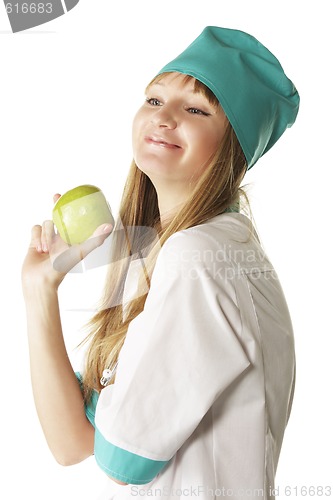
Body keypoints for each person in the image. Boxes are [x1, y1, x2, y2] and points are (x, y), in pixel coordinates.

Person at [21, 26, 300, 500]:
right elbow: (72, 444)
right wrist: (39, 291)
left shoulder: (198, 259)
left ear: (233, 148)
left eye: (195, 108)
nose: (164, 117)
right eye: (153, 99)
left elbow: (121, 459)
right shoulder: (196, 249)